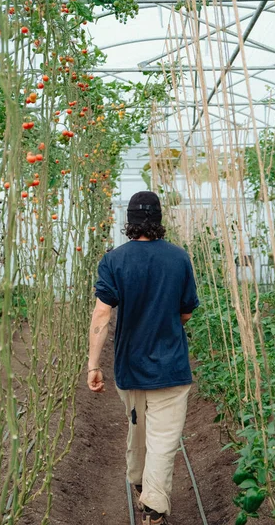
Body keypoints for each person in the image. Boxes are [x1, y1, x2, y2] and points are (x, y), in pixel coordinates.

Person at [87, 191, 199, 525]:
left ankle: (139, 483)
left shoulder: (114, 260)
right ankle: (153, 506)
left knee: (138, 428)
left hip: (130, 367)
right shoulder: (179, 258)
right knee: (163, 441)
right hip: (171, 367)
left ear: (130, 221)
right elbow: (186, 312)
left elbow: (102, 314)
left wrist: (94, 365)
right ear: (160, 219)